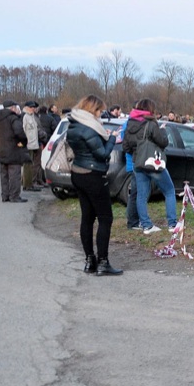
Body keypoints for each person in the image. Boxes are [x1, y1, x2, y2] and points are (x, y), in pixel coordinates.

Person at [66, 95, 122, 275]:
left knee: (87, 218)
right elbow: (103, 154)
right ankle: (103, 263)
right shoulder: (89, 129)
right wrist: (112, 138)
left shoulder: (73, 125)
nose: (100, 115)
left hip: (78, 173)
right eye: (99, 111)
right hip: (93, 175)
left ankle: (90, 261)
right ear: (93, 110)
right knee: (105, 218)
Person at [123, 99, 177, 234]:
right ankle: (172, 224)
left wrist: (137, 153)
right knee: (169, 191)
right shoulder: (151, 123)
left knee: (141, 195)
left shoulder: (130, 123)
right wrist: (163, 131)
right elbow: (163, 142)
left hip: (138, 163)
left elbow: (125, 147)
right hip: (153, 162)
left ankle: (146, 225)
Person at [0, 100, 30, 203]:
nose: (17, 110)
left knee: (4, 175)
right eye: (16, 107)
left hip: (0, 150)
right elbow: (19, 132)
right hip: (13, 150)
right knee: (14, 174)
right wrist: (23, 142)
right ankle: (14, 196)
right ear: (12, 108)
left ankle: (5, 196)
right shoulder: (13, 118)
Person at [21, 101, 48, 191]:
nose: (34, 109)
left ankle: (31, 183)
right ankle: (28, 184)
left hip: (34, 144)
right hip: (29, 145)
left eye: (34, 107)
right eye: (32, 107)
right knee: (28, 166)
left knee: (33, 164)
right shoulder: (25, 117)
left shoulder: (32, 117)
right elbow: (23, 131)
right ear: (27, 108)